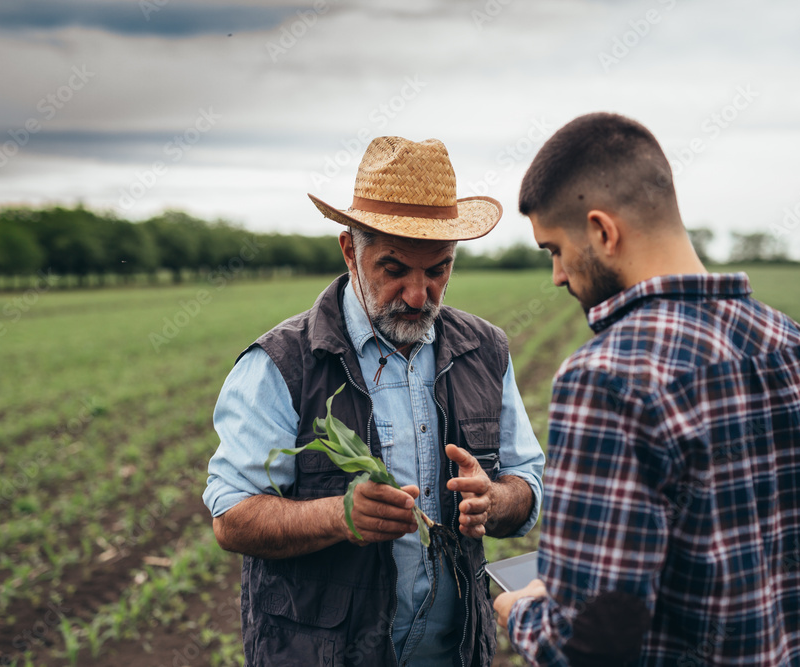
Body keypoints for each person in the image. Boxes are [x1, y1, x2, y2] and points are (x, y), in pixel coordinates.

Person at [493, 113, 800, 665]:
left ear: (603, 232)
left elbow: (588, 643)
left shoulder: (607, 376)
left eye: (554, 249)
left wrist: (521, 612)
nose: (558, 275)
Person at [203, 136, 545, 667]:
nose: (417, 294)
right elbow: (232, 516)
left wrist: (495, 501)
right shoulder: (283, 363)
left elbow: (527, 480)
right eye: (394, 269)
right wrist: (338, 517)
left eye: (437, 270)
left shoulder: (486, 351)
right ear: (349, 250)